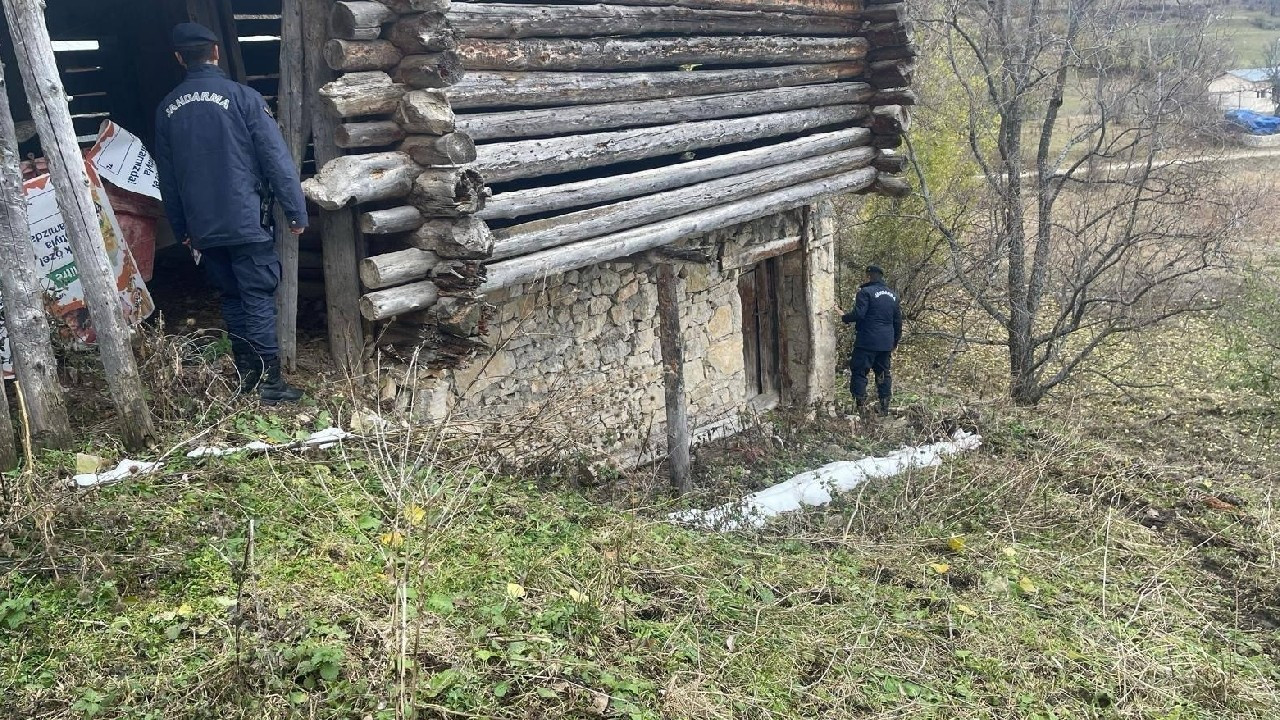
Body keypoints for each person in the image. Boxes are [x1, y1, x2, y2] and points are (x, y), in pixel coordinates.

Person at [153, 22, 306, 405]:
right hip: (246, 220)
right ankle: (270, 384)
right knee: (256, 296)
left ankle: (247, 377)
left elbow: (167, 178)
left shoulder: (167, 109)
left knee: (232, 298)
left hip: (203, 226)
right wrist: (296, 211)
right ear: (216, 52)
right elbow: (276, 161)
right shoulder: (244, 98)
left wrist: (181, 226)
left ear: (178, 59)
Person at [842, 265, 902, 416]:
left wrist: (844, 317)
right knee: (882, 373)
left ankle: (861, 407)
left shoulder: (865, 292)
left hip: (867, 341)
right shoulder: (893, 295)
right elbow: (898, 322)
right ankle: (884, 407)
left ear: (869, 276)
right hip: (885, 342)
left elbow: (859, 314)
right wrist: (895, 341)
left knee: (860, 372)